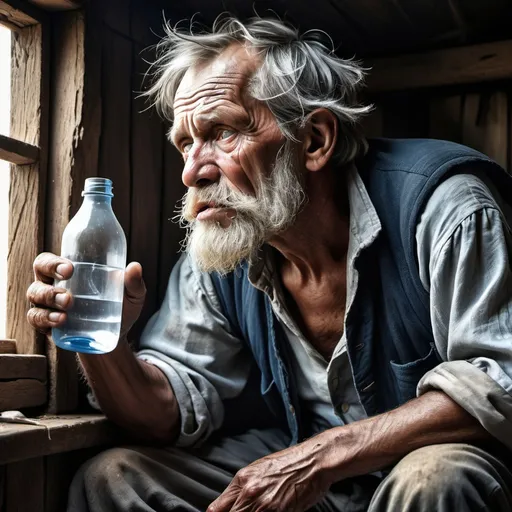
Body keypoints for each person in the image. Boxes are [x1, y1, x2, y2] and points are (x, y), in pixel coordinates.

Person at [27, 16, 512, 512]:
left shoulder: (446, 207)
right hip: (316, 475)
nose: (193, 172)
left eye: (222, 133)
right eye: (185, 144)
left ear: (315, 140)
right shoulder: (228, 242)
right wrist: (100, 336)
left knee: (434, 478)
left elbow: (503, 383)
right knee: (114, 477)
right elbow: (165, 413)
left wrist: (318, 458)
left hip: (421, 468)